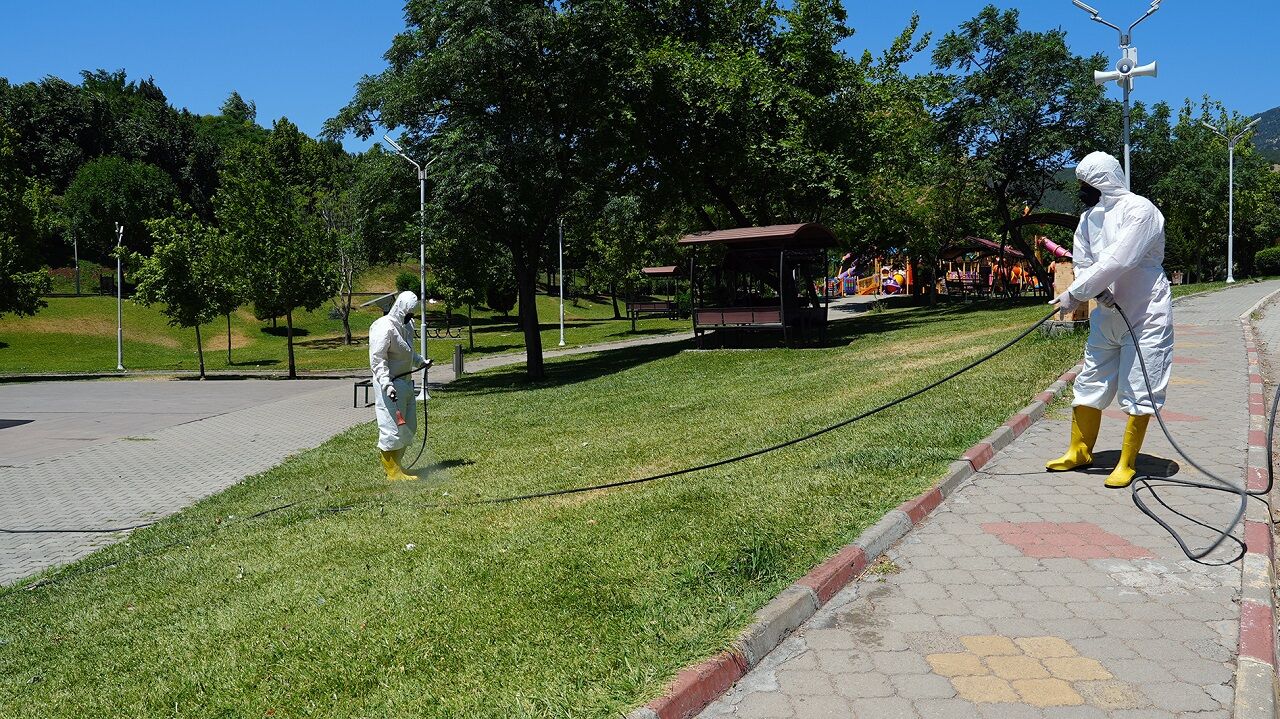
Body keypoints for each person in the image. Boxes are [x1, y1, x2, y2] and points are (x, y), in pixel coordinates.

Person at [1047, 151, 1174, 488]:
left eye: (1086, 183)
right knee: (1091, 379)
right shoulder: (1089, 218)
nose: (1082, 191)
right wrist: (1094, 289)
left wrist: (1076, 293)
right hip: (1107, 315)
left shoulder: (1141, 211)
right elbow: (1084, 259)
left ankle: (1127, 462)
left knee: (1140, 385)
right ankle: (1079, 450)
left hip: (1144, 313)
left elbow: (1120, 259)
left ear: (1103, 181)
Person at [369, 291, 428, 481]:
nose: (410, 317)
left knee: (409, 427)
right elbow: (378, 359)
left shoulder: (407, 325)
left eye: (413, 313)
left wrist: (420, 362)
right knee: (391, 428)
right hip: (389, 385)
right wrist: (386, 384)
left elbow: (408, 352)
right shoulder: (383, 327)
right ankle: (392, 473)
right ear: (400, 307)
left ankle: (399, 466)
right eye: (408, 313)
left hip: (406, 384)